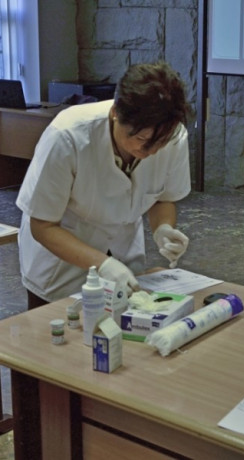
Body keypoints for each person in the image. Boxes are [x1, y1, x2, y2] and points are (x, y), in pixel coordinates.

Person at [16, 61, 191, 309]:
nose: (150, 151)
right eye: (141, 139)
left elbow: (163, 198)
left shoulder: (173, 136)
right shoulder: (68, 136)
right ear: (115, 113)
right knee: (58, 330)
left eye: (159, 142)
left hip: (124, 259)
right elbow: (42, 226)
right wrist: (103, 264)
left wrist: (163, 228)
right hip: (60, 268)